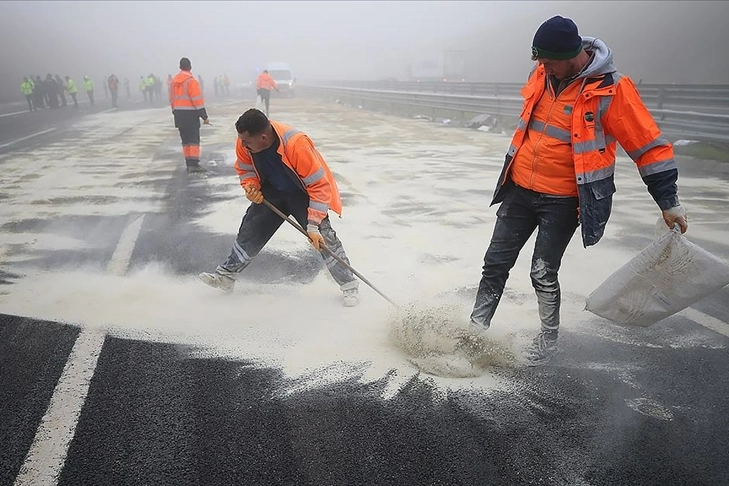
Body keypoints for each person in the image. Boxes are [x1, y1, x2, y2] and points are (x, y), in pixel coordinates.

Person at [468, 15, 688, 365]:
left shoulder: (611, 90)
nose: (543, 67)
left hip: (563, 199)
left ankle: (548, 343)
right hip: (520, 189)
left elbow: (649, 147)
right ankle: (475, 331)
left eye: (549, 61)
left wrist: (669, 201)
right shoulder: (542, 74)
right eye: (539, 61)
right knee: (494, 263)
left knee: (542, 271)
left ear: (572, 54)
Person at [199, 108, 360, 307]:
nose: (243, 145)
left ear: (264, 137)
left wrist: (313, 225)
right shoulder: (245, 142)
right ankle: (226, 275)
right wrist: (250, 187)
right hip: (273, 191)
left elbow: (319, 185)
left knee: (324, 238)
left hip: (303, 194)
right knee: (251, 229)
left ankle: (350, 285)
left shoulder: (296, 144)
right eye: (241, 140)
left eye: (247, 142)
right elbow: (245, 169)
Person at [169, 57, 209, 173]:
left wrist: (175, 111)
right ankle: (194, 164)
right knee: (193, 140)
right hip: (191, 114)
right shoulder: (191, 81)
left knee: (185, 140)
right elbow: (197, 100)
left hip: (179, 114)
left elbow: (172, 99)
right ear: (190, 67)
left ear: (180, 67)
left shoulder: (174, 82)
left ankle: (188, 162)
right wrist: (204, 116)